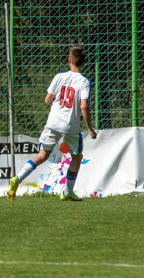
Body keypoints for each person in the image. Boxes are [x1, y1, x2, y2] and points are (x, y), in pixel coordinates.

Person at [7, 45, 98, 202]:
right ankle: (68, 191)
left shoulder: (59, 77)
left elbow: (47, 100)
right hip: (71, 127)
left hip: (53, 123)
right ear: (83, 63)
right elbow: (84, 106)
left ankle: (17, 179)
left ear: (69, 60)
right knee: (76, 157)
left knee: (42, 155)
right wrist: (89, 128)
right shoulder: (84, 82)